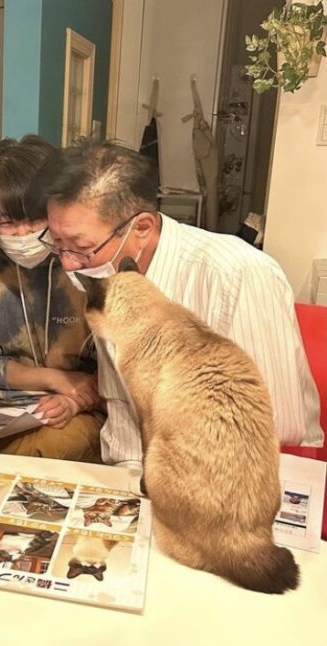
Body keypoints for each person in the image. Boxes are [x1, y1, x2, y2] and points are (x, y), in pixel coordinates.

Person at [28, 139, 323, 469]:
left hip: (247, 476)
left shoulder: (236, 274)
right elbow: (123, 415)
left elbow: (274, 427)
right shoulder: (106, 272)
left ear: (141, 228)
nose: (68, 264)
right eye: (58, 244)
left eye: (81, 246)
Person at [0, 136, 102, 462]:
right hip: (3, 410)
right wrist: (56, 379)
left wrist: (76, 399)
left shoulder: (87, 265)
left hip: (84, 406)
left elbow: (118, 363)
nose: (22, 233)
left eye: (34, 219)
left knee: (51, 450)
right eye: (7, 222)